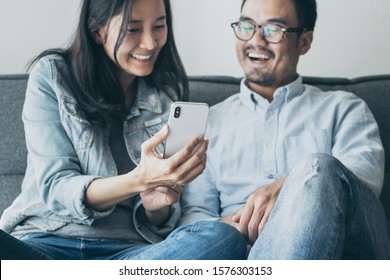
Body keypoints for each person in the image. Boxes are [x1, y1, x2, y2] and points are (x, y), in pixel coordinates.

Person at [0, 0, 246, 260]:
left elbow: (162, 222)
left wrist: (156, 206)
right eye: (133, 29)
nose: (150, 43)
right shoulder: (53, 76)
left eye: (159, 26)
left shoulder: (165, 98)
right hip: (44, 245)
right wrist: (139, 180)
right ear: (97, 30)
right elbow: (56, 188)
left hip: (126, 257)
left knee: (222, 237)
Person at [180, 0, 390, 259]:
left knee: (321, 168)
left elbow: (361, 183)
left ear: (304, 41)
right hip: (238, 251)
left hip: (335, 244)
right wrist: (242, 225)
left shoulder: (345, 108)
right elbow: (194, 215)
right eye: (247, 26)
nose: (256, 40)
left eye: (273, 29)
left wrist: (294, 188)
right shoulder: (209, 121)